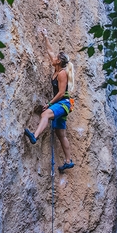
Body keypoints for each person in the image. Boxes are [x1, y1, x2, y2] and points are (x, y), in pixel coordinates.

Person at [24, 28, 75, 171]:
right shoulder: (57, 69)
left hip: (63, 103)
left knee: (45, 114)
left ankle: (35, 136)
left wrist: (49, 104)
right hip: (61, 105)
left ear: (59, 62)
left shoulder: (62, 74)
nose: (53, 58)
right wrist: (46, 36)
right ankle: (68, 160)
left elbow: (60, 93)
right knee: (60, 133)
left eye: (56, 58)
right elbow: (50, 51)